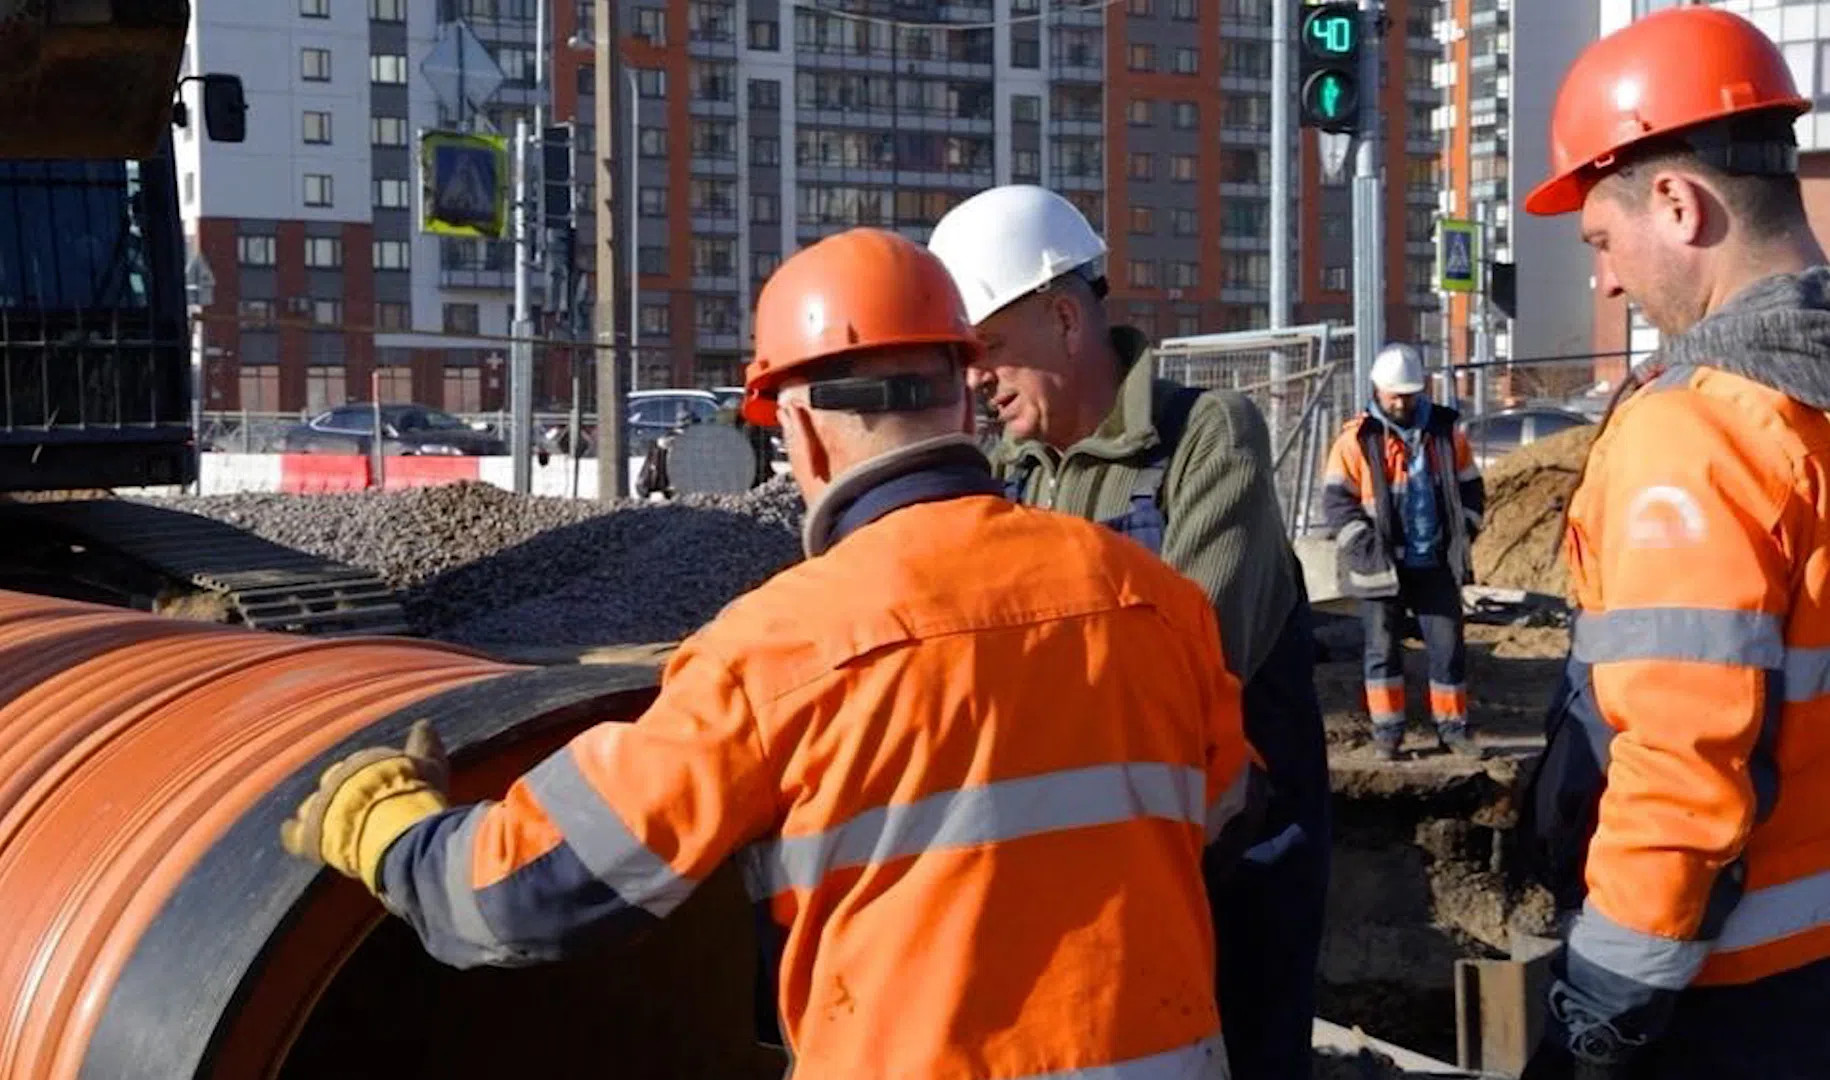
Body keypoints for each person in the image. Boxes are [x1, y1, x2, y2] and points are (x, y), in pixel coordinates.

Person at [281, 227, 1263, 1080]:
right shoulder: (1155, 602)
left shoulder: (779, 652)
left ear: (797, 427)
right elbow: (1220, 807)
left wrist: (395, 838)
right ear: (963, 398)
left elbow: (524, 897)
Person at [928, 185, 1330, 1080]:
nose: (975, 380)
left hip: (1235, 861)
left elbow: (1194, 659)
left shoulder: (1202, 440)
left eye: (989, 349)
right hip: (1092, 863)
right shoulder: (1006, 476)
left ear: (1067, 319)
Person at [1518, 8, 1830, 1077]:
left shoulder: (1696, 432)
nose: (1603, 279)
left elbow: (1678, 771)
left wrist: (1597, 1013)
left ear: (1677, 203)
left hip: (1729, 997)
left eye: (1601, 240)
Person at [1322, 343, 1485, 762]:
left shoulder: (1447, 434)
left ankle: (1452, 729)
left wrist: (1464, 529)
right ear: (1377, 390)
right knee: (1381, 651)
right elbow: (1338, 503)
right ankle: (1388, 733)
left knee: (1448, 649)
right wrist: (1366, 549)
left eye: (1408, 394)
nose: (1401, 402)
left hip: (1434, 562)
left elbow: (1470, 487)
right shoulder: (1356, 439)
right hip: (1381, 566)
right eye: (1394, 394)